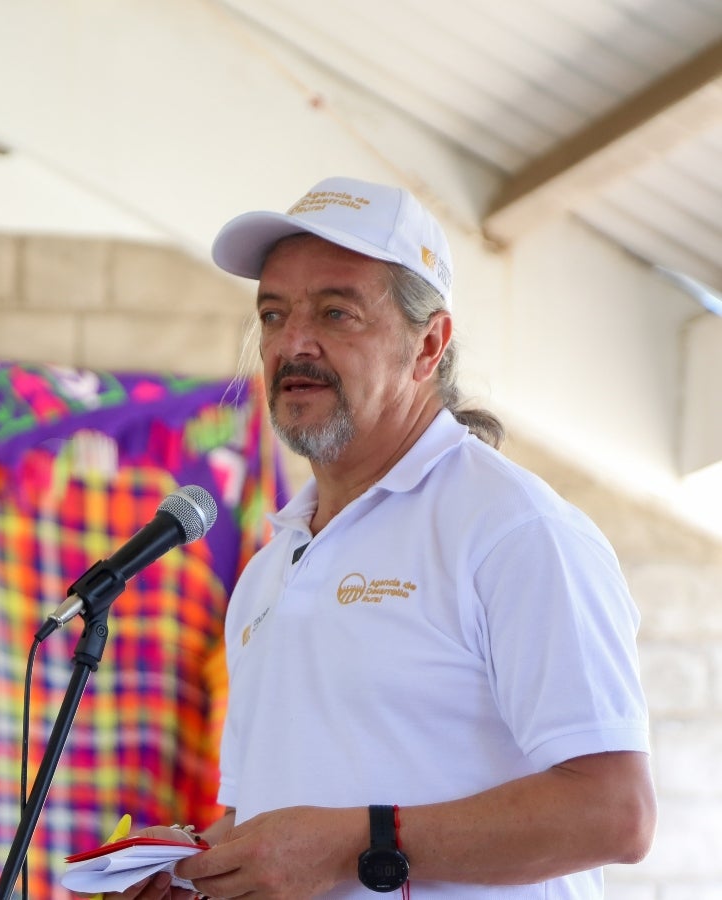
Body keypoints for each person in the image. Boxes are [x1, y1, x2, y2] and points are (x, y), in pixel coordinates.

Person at [103, 176, 656, 899]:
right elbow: (274, 824)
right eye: (273, 314)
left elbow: (614, 813)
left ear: (428, 345)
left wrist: (355, 846)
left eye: (336, 313)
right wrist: (195, 872)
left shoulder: (514, 529)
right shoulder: (270, 570)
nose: (292, 343)